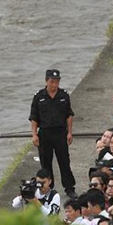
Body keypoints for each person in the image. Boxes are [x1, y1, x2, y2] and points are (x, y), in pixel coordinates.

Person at [30, 69, 77, 198]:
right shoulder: (39, 97)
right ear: (46, 81)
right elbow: (34, 117)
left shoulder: (63, 96)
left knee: (64, 161)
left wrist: (69, 133)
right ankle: (48, 188)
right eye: (52, 82)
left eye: (57, 82)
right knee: (46, 163)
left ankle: (69, 187)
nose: (54, 85)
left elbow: (69, 115)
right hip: (45, 133)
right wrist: (34, 134)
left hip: (60, 132)